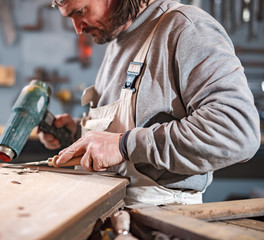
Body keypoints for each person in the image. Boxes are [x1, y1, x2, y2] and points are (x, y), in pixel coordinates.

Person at [38, 0, 261, 206]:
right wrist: (78, 133)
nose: (78, 29)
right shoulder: (117, 40)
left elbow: (236, 132)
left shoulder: (187, 28)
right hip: (111, 212)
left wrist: (125, 145)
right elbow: (131, 127)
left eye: (80, 11)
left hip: (161, 219)